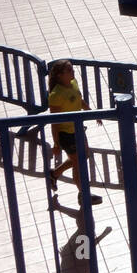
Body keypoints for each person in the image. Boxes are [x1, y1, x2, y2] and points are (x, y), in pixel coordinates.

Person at [47, 59, 101, 203]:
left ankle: (54, 173)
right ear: (59, 75)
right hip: (66, 135)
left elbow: (79, 100)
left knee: (83, 157)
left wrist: (91, 112)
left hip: (78, 129)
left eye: (72, 69)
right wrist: (56, 143)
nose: (73, 71)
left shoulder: (73, 83)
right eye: (69, 70)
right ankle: (84, 194)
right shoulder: (56, 95)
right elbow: (55, 122)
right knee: (78, 164)